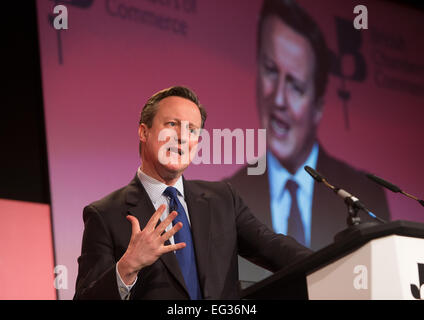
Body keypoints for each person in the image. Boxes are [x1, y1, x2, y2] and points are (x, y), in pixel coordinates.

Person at [74, 86, 312, 300]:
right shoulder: (105, 215)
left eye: (192, 130)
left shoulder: (222, 199)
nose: (182, 136)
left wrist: (335, 261)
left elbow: (272, 247)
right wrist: (126, 268)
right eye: (171, 124)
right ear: (143, 132)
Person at [226, 0, 391, 283]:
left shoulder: (364, 196)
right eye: (270, 70)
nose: (278, 99)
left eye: (296, 86)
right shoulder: (229, 195)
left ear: (318, 106)